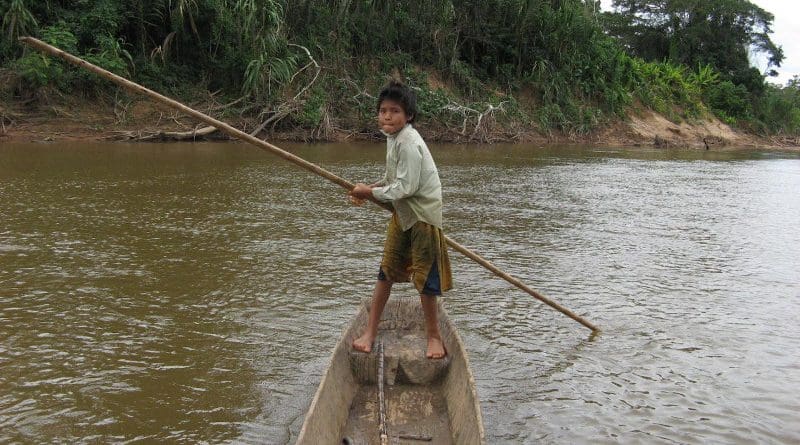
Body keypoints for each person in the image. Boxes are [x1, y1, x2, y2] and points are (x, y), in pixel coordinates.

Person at [349, 80, 452, 359]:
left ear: (408, 116)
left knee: (425, 279)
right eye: (382, 110)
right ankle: (370, 331)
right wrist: (370, 188)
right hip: (402, 214)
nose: (387, 116)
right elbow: (392, 180)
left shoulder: (409, 142)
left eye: (394, 111)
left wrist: (370, 193)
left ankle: (434, 336)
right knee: (386, 272)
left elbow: (406, 187)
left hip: (422, 217)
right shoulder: (392, 139)